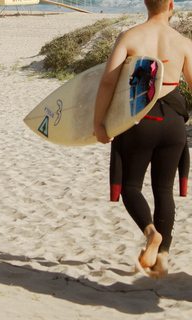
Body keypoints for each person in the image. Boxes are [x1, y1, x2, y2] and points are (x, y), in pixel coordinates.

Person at [94, 0, 192, 279]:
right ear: (171, 5)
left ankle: (151, 234)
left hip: (140, 120)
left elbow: (107, 82)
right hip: (173, 123)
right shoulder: (183, 42)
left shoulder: (130, 36)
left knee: (131, 185)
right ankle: (162, 258)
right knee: (164, 190)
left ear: (145, 4)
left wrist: (99, 124)